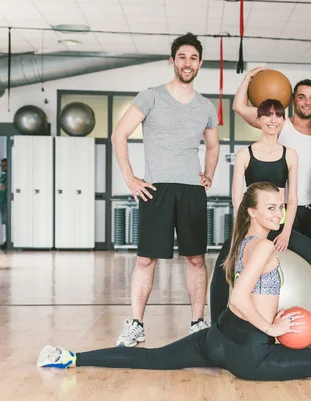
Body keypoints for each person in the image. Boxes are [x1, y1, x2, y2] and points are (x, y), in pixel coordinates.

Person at [37, 182, 311, 385]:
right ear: (253, 212)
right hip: (250, 358)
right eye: (271, 207)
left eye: (281, 205)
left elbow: (236, 303)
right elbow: (238, 298)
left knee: (152, 359)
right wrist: (273, 329)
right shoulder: (264, 249)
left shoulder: (244, 240)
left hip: (217, 340)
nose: (280, 212)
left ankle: (69, 358)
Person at [111, 33, 220, 347]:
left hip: (191, 191)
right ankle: (135, 325)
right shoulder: (151, 96)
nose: (188, 63)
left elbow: (213, 146)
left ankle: (198, 323)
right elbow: (119, 134)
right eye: (182, 57)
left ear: (200, 64)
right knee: (146, 260)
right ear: (173, 61)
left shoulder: (205, 106)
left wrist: (209, 174)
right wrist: (130, 178)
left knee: (196, 259)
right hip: (155, 189)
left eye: (193, 58)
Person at [210, 99, 311, 336]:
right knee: (222, 270)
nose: (273, 120)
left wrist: (285, 231)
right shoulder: (245, 154)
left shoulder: (290, 155)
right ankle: (215, 329)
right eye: (267, 115)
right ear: (258, 120)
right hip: (250, 228)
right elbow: (238, 199)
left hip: (278, 227)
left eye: (278, 116)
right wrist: (248, 233)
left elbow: (291, 200)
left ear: (283, 121)